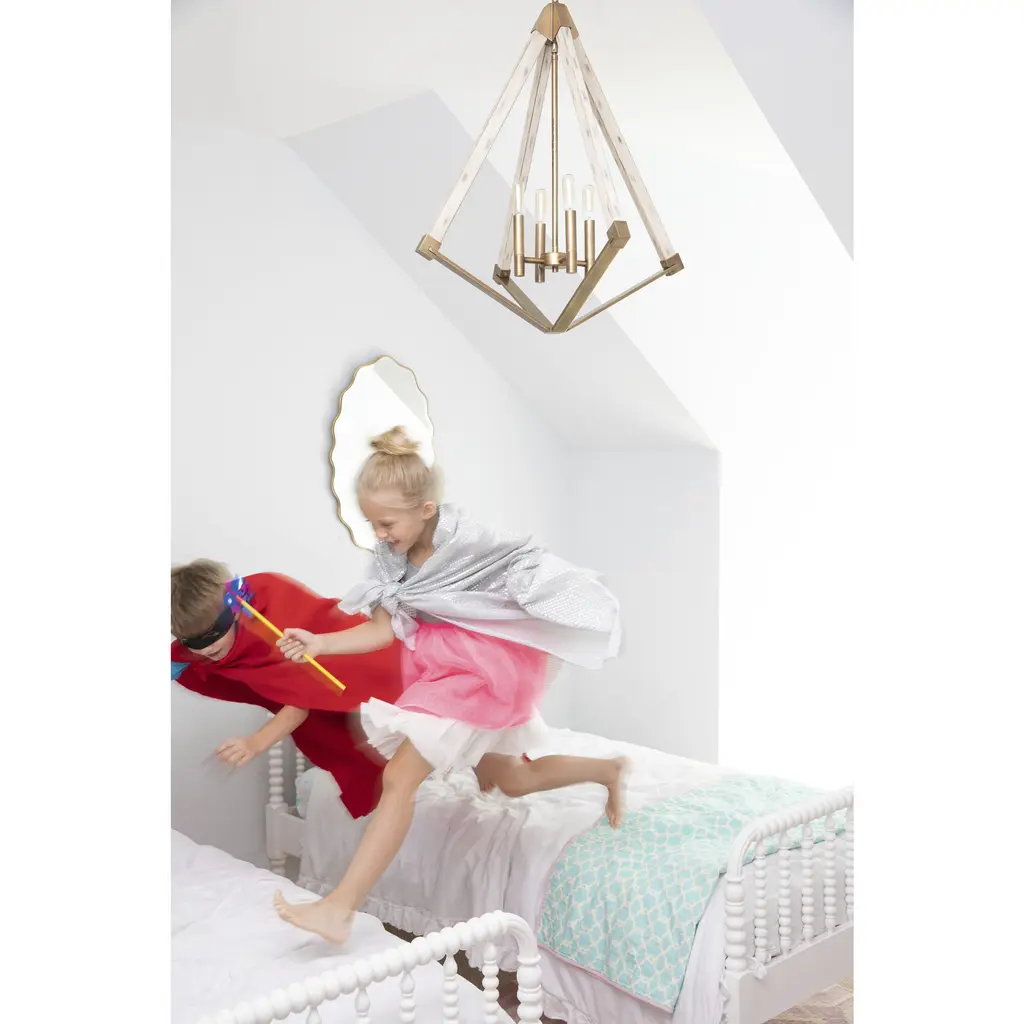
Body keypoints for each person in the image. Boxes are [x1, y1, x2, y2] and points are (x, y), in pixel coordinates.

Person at [272, 427, 626, 943]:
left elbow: (524, 571)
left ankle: (338, 908)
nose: (380, 534)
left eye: (387, 523)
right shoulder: (391, 561)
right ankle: (609, 769)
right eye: (372, 524)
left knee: (399, 778)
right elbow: (380, 630)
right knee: (512, 780)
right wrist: (320, 643)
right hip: (443, 674)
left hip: (482, 671)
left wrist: (554, 603)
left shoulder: (471, 544)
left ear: (426, 510)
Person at [171, 560, 404, 820]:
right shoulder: (211, 650)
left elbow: (300, 700)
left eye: (212, 633)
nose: (206, 649)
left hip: (377, 678)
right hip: (338, 712)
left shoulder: (274, 626)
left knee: (394, 742)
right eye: (192, 642)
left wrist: (255, 743)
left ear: (234, 612)